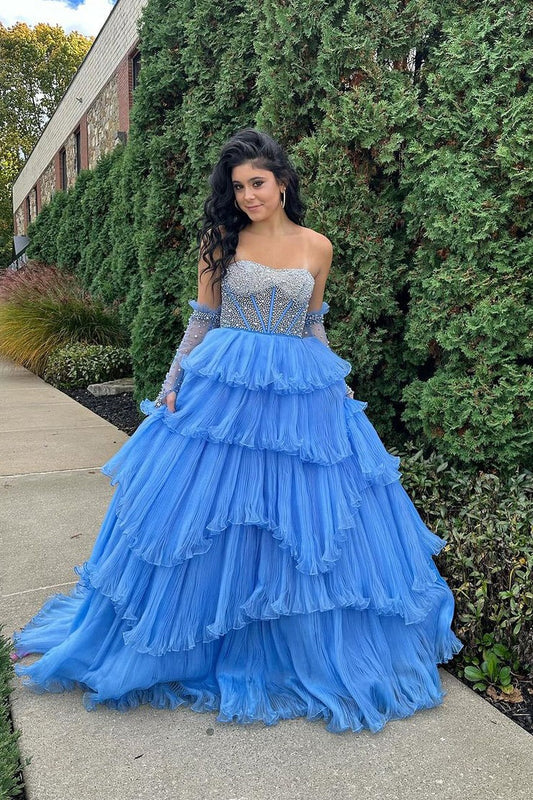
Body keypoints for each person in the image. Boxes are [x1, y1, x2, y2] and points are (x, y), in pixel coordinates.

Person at [12, 128, 462, 734]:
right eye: (239, 187)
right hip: (226, 387)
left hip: (298, 390)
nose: (249, 195)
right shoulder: (220, 240)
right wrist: (172, 382)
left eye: (258, 183)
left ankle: (293, 643)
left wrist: (336, 384)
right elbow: (203, 319)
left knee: (297, 516)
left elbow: (312, 324)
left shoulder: (318, 247)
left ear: (282, 183)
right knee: (211, 512)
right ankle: (197, 637)